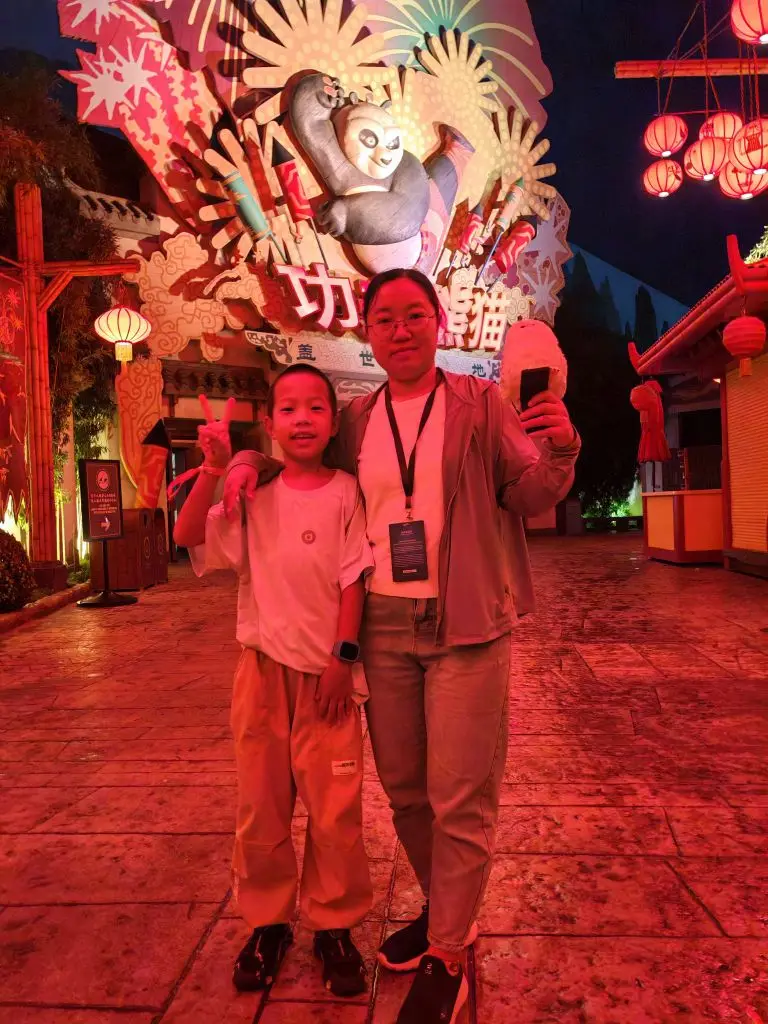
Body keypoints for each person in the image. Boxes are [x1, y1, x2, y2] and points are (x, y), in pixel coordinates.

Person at [224, 268, 580, 1024]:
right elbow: (301, 462)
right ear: (369, 333)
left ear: (438, 321)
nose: (400, 329)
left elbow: (528, 492)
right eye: (384, 318)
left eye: (414, 314)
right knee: (407, 789)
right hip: (382, 627)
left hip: (466, 623)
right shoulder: (357, 418)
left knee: (460, 796)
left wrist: (563, 447)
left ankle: (448, 949)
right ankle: (450, 906)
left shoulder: (479, 403)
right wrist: (246, 461)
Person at [173, 367, 374, 998]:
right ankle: (268, 923)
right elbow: (186, 536)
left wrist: (342, 659)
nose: (303, 419)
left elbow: (354, 579)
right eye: (289, 408)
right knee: (261, 807)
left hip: (328, 680)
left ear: (333, 423)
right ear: (270, 424)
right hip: (261, 675)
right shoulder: (253, 494)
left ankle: (334, 925)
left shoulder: (347, 492)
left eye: (316, 407)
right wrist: (215, 469)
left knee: (335, 810)